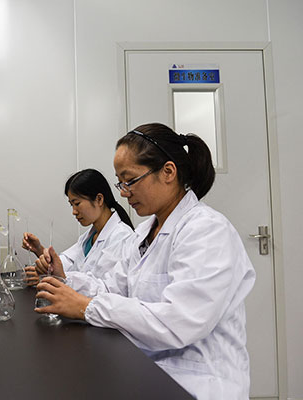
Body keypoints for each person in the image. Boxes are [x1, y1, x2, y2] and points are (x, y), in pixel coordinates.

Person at [35, 123, 256, 400]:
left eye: (130, 181)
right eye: (120, 183)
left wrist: (86, 307)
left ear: (168, 172)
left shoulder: (207, 230)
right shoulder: (144, 232)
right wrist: (66, 279)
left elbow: (178, 323)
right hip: (148, 365)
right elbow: (112, 287)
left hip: (199, 379)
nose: (124, 192)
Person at [22, 169, 133, 284]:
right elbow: (65, 263)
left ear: (99, 199)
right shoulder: (89, 237)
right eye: (72, 205)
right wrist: (39, 250)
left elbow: (103, 286)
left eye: (77, 203)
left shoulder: (121, 237)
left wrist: (54, 277)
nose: (74, 212)